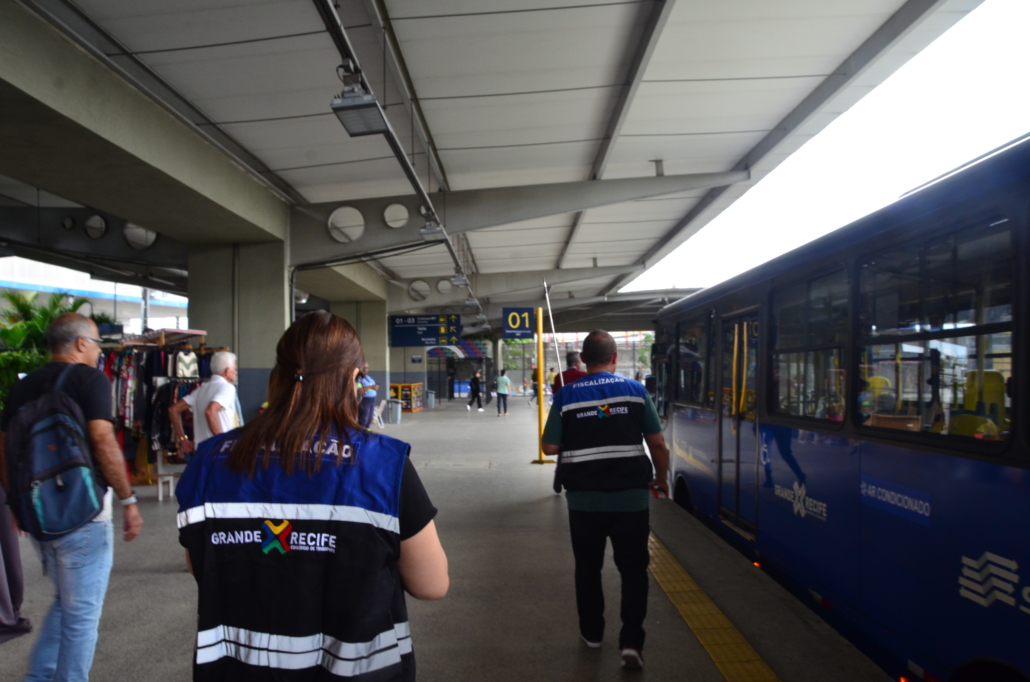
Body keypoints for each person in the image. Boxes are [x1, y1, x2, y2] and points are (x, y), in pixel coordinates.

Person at [176, 311, 448, 681]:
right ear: (352, 378)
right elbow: (432, 584)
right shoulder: (384, 465)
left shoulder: (208, 462)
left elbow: (202, 566)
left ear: (278, 376)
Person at [0, 313, 144, 681]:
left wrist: (16, 503)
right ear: (81, 343)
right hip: (84, 515)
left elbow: (3, 448)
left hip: (39, 515)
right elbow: (102, 440)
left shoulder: (23, 386)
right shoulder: (90, 379)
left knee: (66, 604)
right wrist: (128, 500)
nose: (98, 353)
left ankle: (39, 676)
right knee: (81, 616)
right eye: (97, 345)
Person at [541, 330, 669, 671]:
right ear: (615, 358)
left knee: (588, 569)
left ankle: (592, 633)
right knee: (633, 571)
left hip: (584, 501)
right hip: (631, 499)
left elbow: (549, 447)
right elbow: (657, 443)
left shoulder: (566, 395)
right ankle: (631, 642)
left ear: (583, 360)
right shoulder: (636, 391)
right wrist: (661, 478)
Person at [169, 351, 242, 454]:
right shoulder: (228, 388)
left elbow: (173, 409)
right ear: (227, 371)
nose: (236, 372)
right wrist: (222, 442)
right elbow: (210, 411)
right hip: (218, 452)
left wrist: (183, 440)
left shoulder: (201, 390)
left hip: (201, 452)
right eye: (234, 369)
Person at [357, 362, 378, 428]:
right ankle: (361, 433)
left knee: (369, 419)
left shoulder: (368, 377)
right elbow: (359, 390)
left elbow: (372, 385)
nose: (366, 369)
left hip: (372, 400)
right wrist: (371, 387)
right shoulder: (359, 378)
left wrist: (375, 387)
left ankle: (367, 432)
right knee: (363, 420)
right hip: (364, 400)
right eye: (364, 367)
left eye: (367, 368)